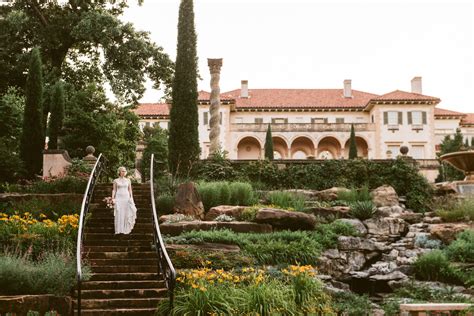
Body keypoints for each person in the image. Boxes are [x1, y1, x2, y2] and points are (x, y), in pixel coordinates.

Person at [112, 166, 137, 234]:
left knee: (126, 212)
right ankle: (119, 229)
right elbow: (114, 190)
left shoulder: (128, 180)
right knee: (119, 212)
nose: (123, 172)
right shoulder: (115, 180)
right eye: (122, 171)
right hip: (119, 197)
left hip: (126, 197)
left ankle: (126, 229)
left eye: (124, 171)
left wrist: (131, 197)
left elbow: (130, 189)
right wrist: (113, 198)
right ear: (119, 172)